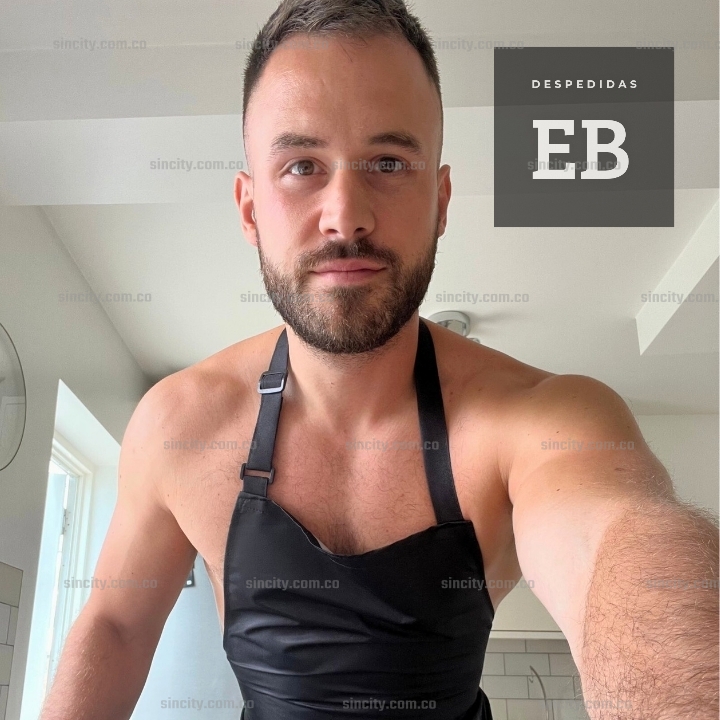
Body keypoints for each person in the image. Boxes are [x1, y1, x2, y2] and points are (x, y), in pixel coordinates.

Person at [40, 1, 718, 718]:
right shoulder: (180, 423)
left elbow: (620, 545)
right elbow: (115, 626)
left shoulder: (541, 419)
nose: (346, 215)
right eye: (302, 165)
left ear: (441, 201)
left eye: (389, 162)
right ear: (249, 209)